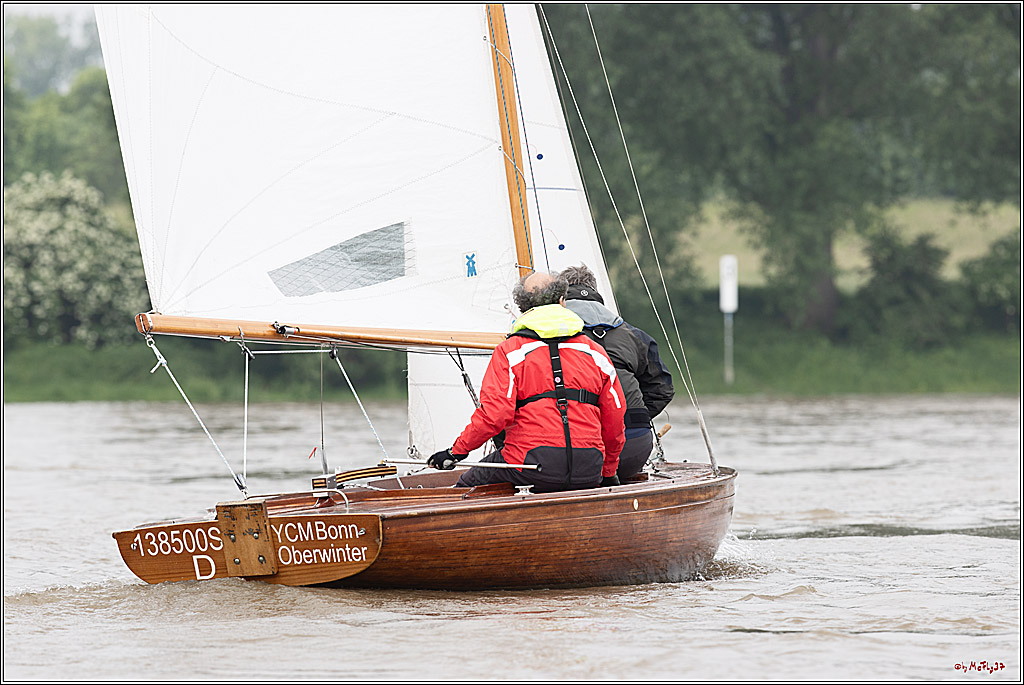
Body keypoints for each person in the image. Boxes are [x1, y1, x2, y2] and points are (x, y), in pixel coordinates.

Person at [427, 271, 626, 492]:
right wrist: (608, 472)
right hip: (588, 467)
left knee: (464, 487)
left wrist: (456, 452)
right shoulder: (595, 353)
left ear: (522, 307)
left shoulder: (510, 352)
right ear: (562, 301)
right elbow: (615, 418)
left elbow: (494, 415)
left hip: (530, 464)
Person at [558, 264, 674, 480]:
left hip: (579, 450)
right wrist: (636, 418)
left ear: (562, 298)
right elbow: (663, 390)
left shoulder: (552, 338)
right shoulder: (635, 335)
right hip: (635, 448)